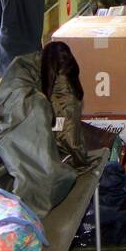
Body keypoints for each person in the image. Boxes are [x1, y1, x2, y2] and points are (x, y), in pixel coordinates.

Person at [40, 40, 89, 170]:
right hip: (65, 159)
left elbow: (68, 137)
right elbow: (71, 139)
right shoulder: (69, 86)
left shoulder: (58, 91)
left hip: (59, 160)